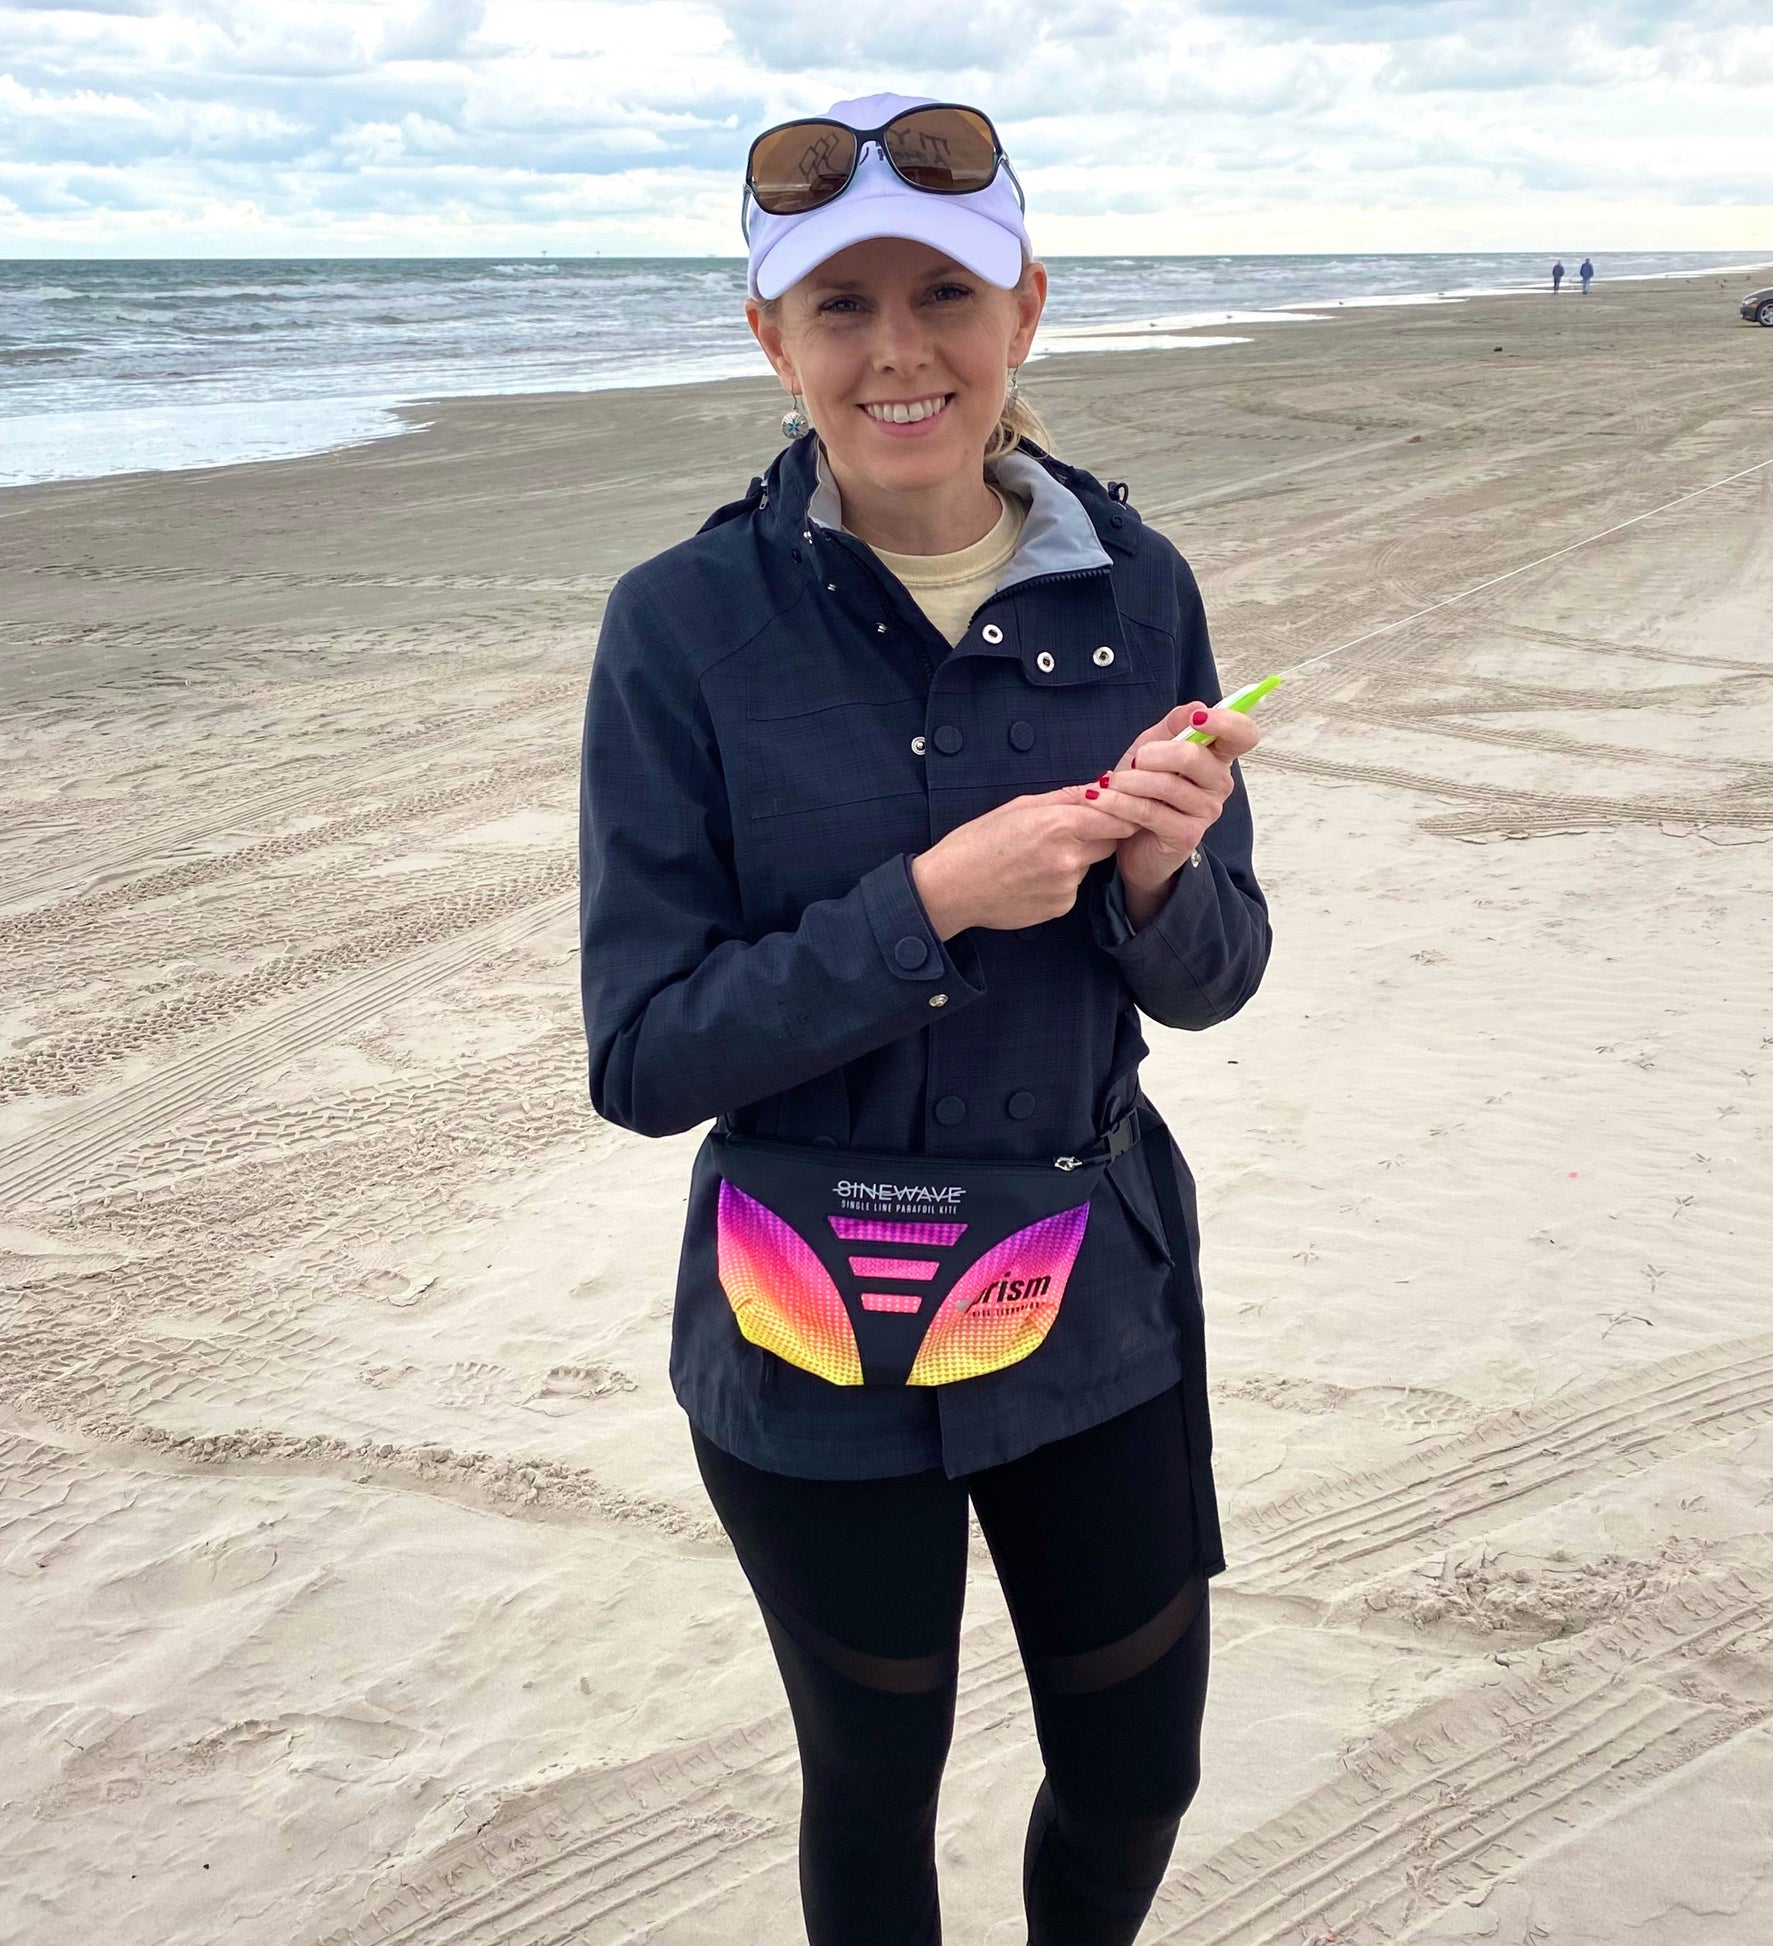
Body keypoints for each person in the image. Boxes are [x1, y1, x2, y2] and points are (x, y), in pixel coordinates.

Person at [578, 92, 1271, 1946]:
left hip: (1089, 1289)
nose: (899, 352)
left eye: (945, 295)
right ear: (771, 339)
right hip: (807, 1309)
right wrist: (931, 903)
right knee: (873, 1784)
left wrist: (1158, 880)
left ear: (1023, 309)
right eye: (842, 306)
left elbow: (1216, 979)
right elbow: (643, 1054)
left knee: (1136, 1769)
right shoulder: (682, 624)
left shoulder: (1137, 589)